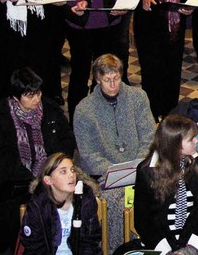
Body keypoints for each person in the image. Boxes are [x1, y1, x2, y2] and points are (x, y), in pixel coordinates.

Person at [74, 54, 156, 253]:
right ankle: (117, 248)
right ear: (97, 79)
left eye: (116, 78)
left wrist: (138, 165)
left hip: (139, 166)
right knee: (116, 201)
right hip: (104, 173)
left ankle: (151, 244)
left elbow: (149, 136)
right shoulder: (84, 109)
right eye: (107, 80)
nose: (113, 84)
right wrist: (115, 172)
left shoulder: (138, 97)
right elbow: (88, 153)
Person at [0, 67, 75, 252]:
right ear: (16, 97)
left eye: (38, 93)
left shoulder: (50, 109)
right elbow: (2, 157)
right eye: (29, 95)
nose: (36, 99)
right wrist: (33, 180)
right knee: (11, 218)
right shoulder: (2, 116)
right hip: (16, 182)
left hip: (51, 175)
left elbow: (67, 140)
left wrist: (52, 171)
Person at [134, 115, 198, 254]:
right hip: (159, 242)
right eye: (191, 139)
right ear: (174, 144)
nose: (196, 141)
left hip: (191, 240)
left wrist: (192, 248)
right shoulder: (146, 171)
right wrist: (165, 251)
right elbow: (143, 220)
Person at [21, 152, 102, 254]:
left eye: (72, 170)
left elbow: (91, 243)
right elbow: (34, 247)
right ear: (48, 180)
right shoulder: (38, 204)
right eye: (63, 172)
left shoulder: (86, 199)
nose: (71, 175)